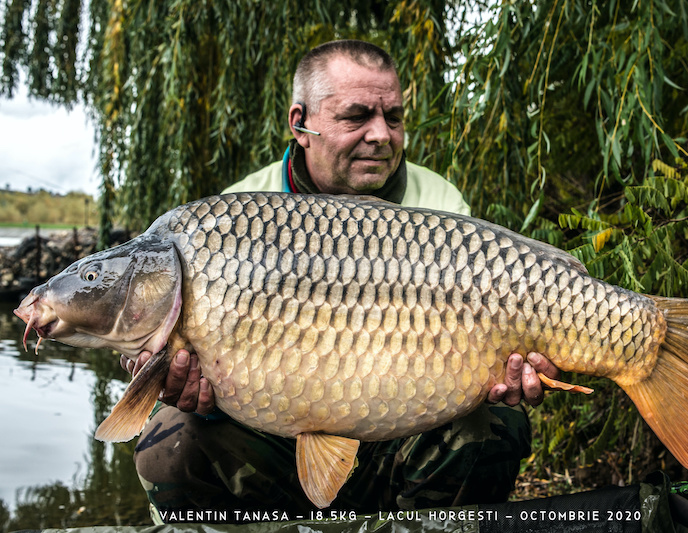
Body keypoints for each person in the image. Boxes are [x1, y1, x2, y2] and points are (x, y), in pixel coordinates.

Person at [125, 40, 559, 518]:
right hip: (272, 432)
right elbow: (203, 366)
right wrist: (190, 392)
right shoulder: (233, 214)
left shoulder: (438, 201)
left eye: (393, 117)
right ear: (300, 124)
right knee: (171, 438)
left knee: (496, 422)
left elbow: (485, 336)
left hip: (402, 425)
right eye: (356, 117)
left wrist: (511, 366)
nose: (381, 135)